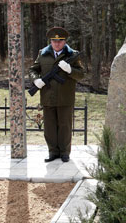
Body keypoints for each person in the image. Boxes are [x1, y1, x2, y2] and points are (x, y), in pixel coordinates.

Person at [29, 27, 85, 162]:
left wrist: (70, 69)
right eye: (54, 41)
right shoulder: (42, 53)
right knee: (49, 126)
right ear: (51, 41)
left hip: (65, 96)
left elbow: (81, 75)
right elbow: (33, 69)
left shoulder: (72, 55)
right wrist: (36, 79)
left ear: (65, 41)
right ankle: (53, 152)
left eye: (60, 41)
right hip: (48, 96)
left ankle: (65, 152)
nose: (57, 43)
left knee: (65, 125)